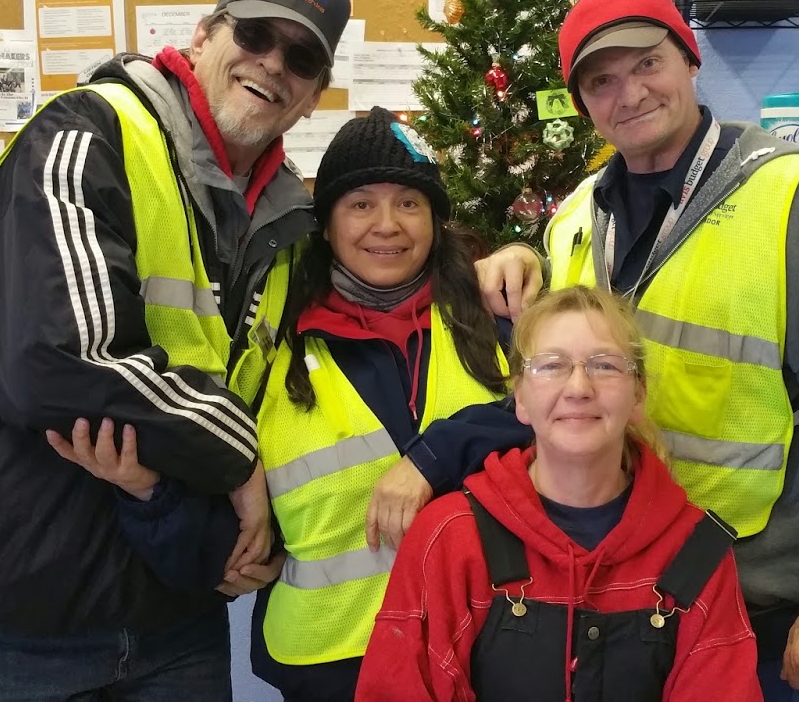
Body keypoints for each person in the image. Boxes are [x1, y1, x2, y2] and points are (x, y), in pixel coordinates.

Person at [0, 0, 350, 701]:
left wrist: (494, 268)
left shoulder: (288, 224)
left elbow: (311, 355)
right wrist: (237, 458)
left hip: (176, 613)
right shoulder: (84, 136)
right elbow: (57, 363)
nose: (273, 62)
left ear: (311, 98)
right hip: (19, 610)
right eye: (255, 34)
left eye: (301, 57)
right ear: (203, 37)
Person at [475, 0, 799, 702]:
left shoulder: (798, 200)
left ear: (689, 59)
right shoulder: (574, 220)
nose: (630, 93)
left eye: (648, 64)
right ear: (582, 103)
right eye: (602, 81)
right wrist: (519, 259)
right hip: (615, 598)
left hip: (758, 603)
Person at [51, 106, 533, 701]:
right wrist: (150, 492)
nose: (387, 225)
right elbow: (218, 548)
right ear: (325, 225)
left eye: (409, 203)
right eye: (361, 204)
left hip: (491, 650)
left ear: (435, 221)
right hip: (334, 667)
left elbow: (574, 426)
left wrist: (437, 454)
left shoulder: (494, 322)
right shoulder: (271, 350)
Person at [357, 285, 761, 702]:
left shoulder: (696, 552)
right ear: (520, 398)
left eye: (605, 365)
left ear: (638, 394)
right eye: (551, 366)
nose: (579, 387)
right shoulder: (451, 537)